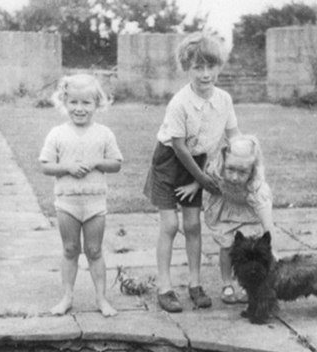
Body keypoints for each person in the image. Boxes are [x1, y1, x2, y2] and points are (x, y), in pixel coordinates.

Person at [143, 32, 241, 313]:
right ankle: (164, 287)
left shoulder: (224, 100)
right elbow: (179, 147)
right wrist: (203, 180)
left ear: (219, 66)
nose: (205, 74)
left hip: (197, 164)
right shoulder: (180, 103)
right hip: (170, 161)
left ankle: (195, 284)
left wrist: (246, 160)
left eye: (211, 66)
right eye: (198, 67)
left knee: (193, 225)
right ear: (188, 68)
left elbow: (234, 136)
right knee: (170, 225)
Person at [39, 74, 123, 317]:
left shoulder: (104, 133)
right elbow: (46, 166)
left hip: (95, 203)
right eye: (74, 102)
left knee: (95, 250)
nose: (79, 108)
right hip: (67, 203)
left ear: (98, 104)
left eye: (86, 103)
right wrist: (67, 168)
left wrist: (97, 162)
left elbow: (116, 163)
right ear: (64, 103)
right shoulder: (57, 133)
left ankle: (101, 299)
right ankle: (66, 297)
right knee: (70, 249)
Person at [203, 135, 275, 304]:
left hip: (250, 216)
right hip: (227, 213)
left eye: (242, 172)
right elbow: (205, 179)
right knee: (226, 246)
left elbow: (267, 224)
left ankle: (246, 285)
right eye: (231, 169)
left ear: (253, 170)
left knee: (249, 248)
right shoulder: (218, 171)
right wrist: (194, 185)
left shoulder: (257, 189)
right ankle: (227, 284)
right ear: (224, 163)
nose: (234, 177)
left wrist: (272, 249)